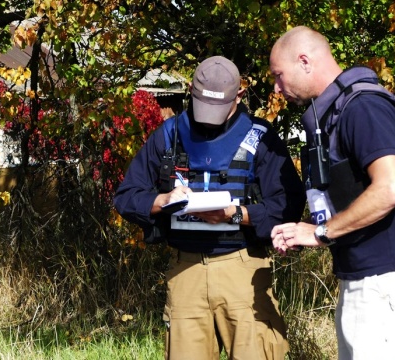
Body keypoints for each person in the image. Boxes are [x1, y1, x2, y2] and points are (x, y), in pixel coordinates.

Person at [113, 56, 306, 360]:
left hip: (243, 269)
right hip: (185, 270)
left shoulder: (262, 137)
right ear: (190, 90)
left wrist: (237, 215)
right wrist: (160, 202)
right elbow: (126, 197)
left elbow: (288, 207)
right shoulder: (169, 134)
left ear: (239, 95)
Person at [269, 26, 395, 360]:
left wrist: (320, 232)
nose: (277, 88)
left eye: (279, 75)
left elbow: (390, 189)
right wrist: (304, 228)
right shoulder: (338, 111)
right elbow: (355, 193)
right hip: (367, 273)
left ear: (304, 61)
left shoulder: (361, 108)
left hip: (383, 276)